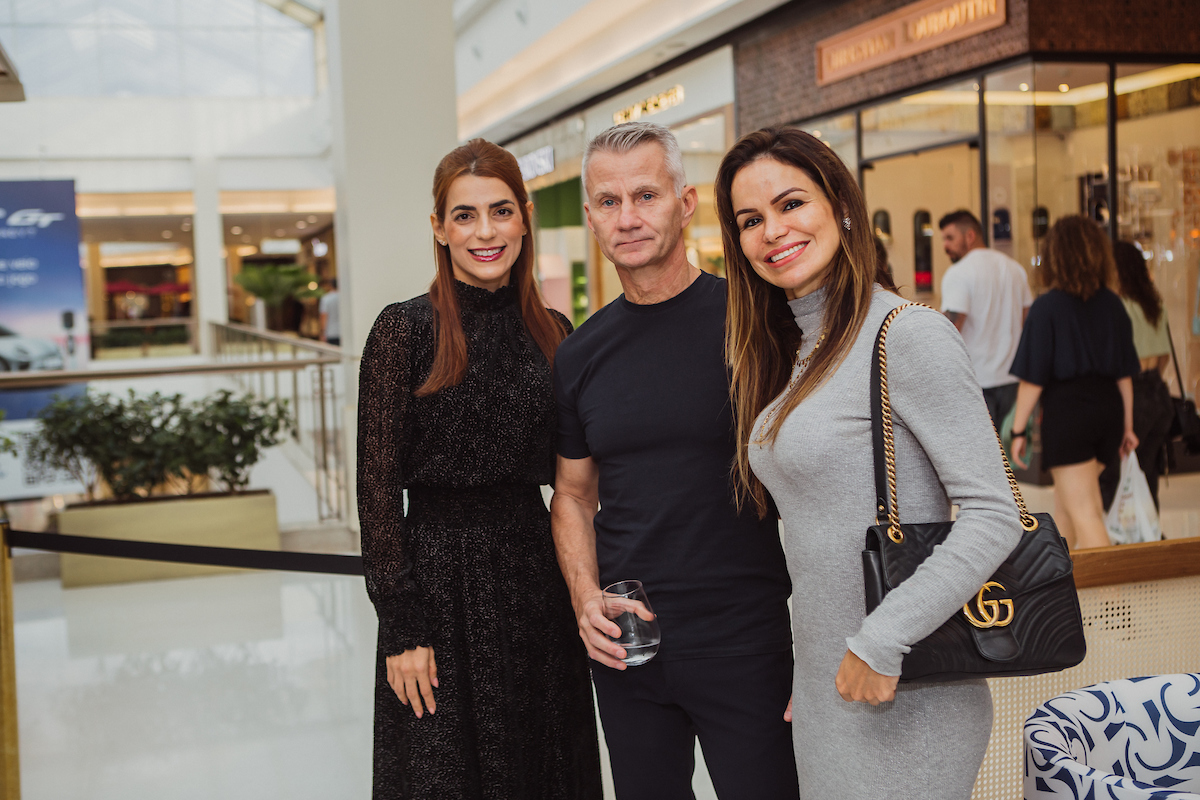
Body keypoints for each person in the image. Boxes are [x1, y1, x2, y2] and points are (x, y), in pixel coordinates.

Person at [716, 127, 1021, 799]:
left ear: (842, 208)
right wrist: (816, 669)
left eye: (792, 204)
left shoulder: (906, 334)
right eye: (750, 220)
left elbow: (997, 515)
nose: (773, 230)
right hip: (832, 686)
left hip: (907, 682)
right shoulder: (794, 349)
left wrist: (880, 641)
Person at [551, 122, 798, 800]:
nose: (627, 218)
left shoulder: (758, 324)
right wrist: (584, 600)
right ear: (592, 216)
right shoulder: (579, 354)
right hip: (631, 645)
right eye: (608, 201)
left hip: (746, 639)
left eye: (646, 195)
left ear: (686, 203)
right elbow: (573, 494)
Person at [357, 139, 602, 800]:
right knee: (445, 774)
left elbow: (577, 480)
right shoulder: (403, 331)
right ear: (438, 227)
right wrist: (402, 627)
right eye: (464, 215)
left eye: (500, 211)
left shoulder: (555, 330)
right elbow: (377, 491)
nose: (485, 231)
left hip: (537, 584)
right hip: (438, 587)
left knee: (547, 767)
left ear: (525, 216)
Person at [1009, 216, 1140, 549]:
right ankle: (1064, 588)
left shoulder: (1047, 307)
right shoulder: (1113, 304)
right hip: (1108, 412)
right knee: (1066, 508)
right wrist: (1127, 426)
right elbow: (1124, 374)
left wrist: (1018, 430)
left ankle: (1114, 600)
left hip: (1070, 415)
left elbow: (1033, 379)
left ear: (1054, 256)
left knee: (1085, 510)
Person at [938, 209, 1033, 429]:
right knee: (1012, 458)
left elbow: (951, 330)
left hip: (976, 383)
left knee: (980, 460)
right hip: (1013, 380)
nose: (945, 246)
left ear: (970, 236)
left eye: (950, 238)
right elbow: (1028, 323)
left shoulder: (959, 273)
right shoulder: (1015, 269)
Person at [1102, 240, 1175, 507]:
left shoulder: (1118, 307)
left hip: (1133, 395)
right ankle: (1151, 537)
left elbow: (1114, 360)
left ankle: (1123, 543)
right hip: (1159, 394)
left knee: (1114, 477)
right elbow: (1165, 356)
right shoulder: (1155, 304)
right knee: (1147, 473)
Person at [318, 277, 340, 345]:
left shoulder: (326, 298)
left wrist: (322, 333)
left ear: (330, 285)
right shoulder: (344, 297)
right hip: (344, 332)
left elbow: (324, 316)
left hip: (331, 332)